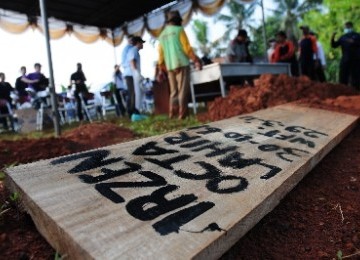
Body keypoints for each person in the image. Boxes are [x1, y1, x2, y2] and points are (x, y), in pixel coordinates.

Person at [158, 10, 202, 119]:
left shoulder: (162, 35)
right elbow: (187, 48)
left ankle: (172, 114)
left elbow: (160, 54)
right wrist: (196, 60)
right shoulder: (179, 30)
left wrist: (161, 68)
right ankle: (182, 115)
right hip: (181, 63)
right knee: (182, 90)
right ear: (178, 20)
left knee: (173, 91)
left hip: (169, 66)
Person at [331, 21, 360, 89]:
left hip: (356, 59)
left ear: (351, 26)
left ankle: (357, 89)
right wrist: (332, 37)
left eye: (347, 26)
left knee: (356, 75)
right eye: (345, 27)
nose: (346, 28)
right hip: (345, 59)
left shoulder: (357, 35)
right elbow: (334, 45)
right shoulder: (343, 37)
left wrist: (354, 42)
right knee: (343, 75)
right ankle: (343, 88)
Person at [125, 36, 146, 120]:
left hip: (132, 74)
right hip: (131, 75)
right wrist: (136, 73)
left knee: (135, 93)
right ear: (138, 42)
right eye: (141, 43)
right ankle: (134, 114)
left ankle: (135, 113)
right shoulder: (133, 50)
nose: (142, 45)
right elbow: (132, 61)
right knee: (134, 94)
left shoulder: (134, 50)